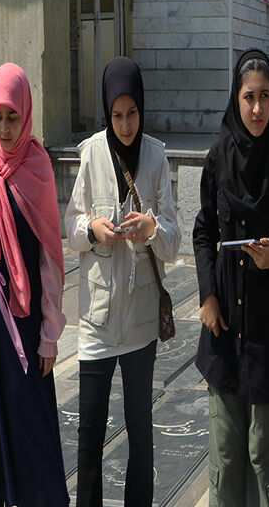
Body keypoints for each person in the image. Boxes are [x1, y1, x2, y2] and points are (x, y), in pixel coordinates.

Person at [194, 49, 269, 506]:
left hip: (266, 336)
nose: (259, 108)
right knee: (226, 459)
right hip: (224, 333)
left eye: (266, 97)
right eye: (250, 97)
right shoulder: (217, 159)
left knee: (264, 459)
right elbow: (204, 232)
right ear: (236, 98)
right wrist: (207, 295)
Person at [65, 57, 182, 507]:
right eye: (117, 115)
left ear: (142, 109)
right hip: (96, 320)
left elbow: (173, 238)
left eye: (132, 113)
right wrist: (93, 230)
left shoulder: (155, 155)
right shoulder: (92, 152)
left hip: (139, 319)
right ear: (107, 112)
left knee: (140, 429)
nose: (126, 124)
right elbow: (71, 226)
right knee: (89, 431)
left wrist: (151, 228)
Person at [0, 62, 68, 506]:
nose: (4, 128)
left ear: (26, 113)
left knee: (30, 427)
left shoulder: (38, 168)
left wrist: (49, 336)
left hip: (23, 318)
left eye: (12, 117)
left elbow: (50, 259)